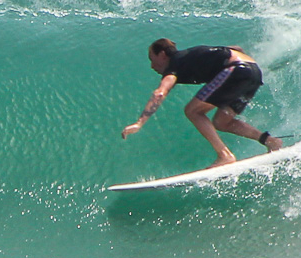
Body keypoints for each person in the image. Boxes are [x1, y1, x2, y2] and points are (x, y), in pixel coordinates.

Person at [121, 38, 282, 167]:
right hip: (253, 73)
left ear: (163, 54)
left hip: (236, 70)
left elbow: (160, 93)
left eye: (152, 59)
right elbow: (235, 48)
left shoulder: (175, 64)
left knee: (192, 111)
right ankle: (271, 141)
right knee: (221, 122)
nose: (151, 65)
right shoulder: (190, 56)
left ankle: (224, 155)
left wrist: (140, 123)